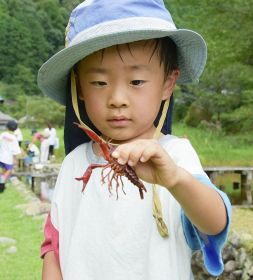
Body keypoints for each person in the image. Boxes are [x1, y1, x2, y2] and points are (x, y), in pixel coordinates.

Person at [38, 1, 232, 279]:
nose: (117, 100)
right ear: (78, 87)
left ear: (168, 83)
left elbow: (215, 224)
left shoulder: (176, 156)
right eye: (99, 83)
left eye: (137, 81)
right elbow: (53, 248)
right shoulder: (73, 163)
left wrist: (175, 179)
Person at [0, 120, 21, 192]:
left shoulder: (3, 134)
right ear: (15, 128)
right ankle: (1, 184)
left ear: (7, 127)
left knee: (3, 171)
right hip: (8, 158)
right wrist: (16, 161)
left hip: (1, 156)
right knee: (9, 171)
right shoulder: (14, 138)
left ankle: (2, 184)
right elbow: (15, 152)